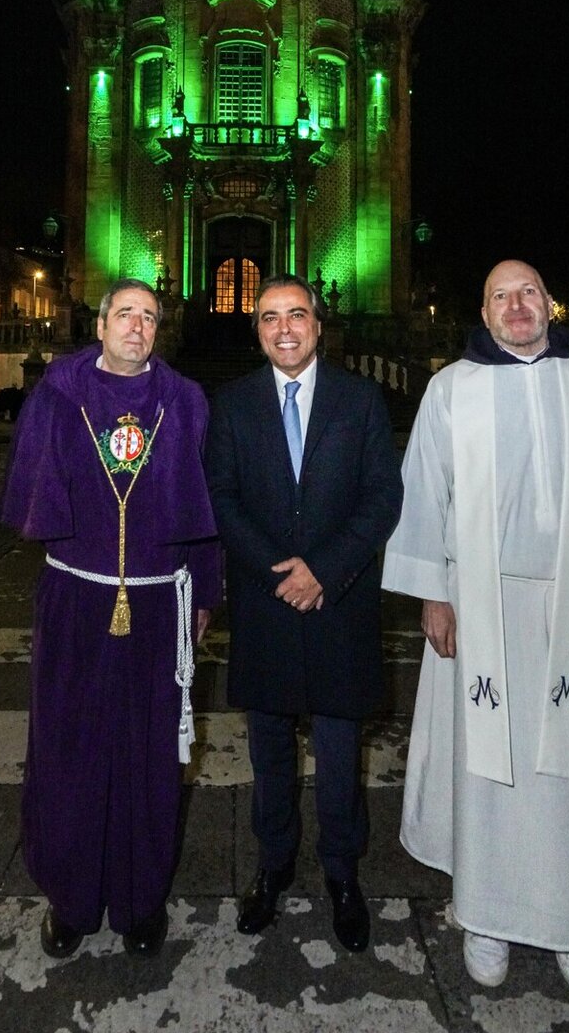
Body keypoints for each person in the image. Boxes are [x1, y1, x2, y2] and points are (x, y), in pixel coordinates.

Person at [382, 259, 569, 1005]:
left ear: (549, 305)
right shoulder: (452, 390)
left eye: (528, 294)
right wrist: (431, 594)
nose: (516, 307)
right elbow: (423, 493)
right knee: (490, 773)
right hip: (481, 609)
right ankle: (485, 919)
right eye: (500, 297)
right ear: (483, 315)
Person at [0, 279, 220, 960]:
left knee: (149, 756)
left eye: (150, 317)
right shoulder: (60, 396)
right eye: (126, 313)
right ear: (100, 324)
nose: (138, 326)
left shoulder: (183, 402)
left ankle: (139, 900)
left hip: (156, 604)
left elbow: (204, 507)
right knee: (70, 752)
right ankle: (72, 898)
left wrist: (206, 593)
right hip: (76, 599)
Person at [204, 274, 403, 954]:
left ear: (318, 324)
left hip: (339, 603)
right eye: (269, 318)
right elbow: (222, 498)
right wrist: (275, 571)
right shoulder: (229, 405)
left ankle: (343, 874)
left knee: (343, 755)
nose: (284, 328)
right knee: (268, 751)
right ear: (256, 330)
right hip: (266, 605)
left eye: (296, 315)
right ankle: (274, 863)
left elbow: (382, 497)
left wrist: (326, 569)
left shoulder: (361, 398)